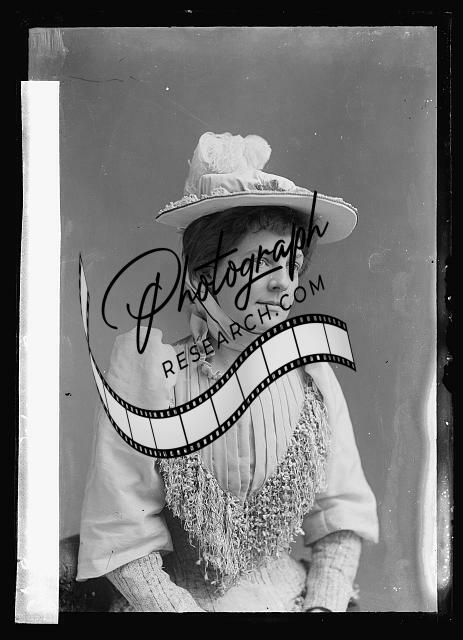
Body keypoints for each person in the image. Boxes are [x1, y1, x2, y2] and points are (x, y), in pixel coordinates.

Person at [76, 132, 379, 612]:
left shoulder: (312, 376)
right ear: (202, 277)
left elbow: (341, 516)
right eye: (261, 265)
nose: (283, 284)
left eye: (293, 264)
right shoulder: (153, 380)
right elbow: (121, 538)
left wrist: (322, 608)